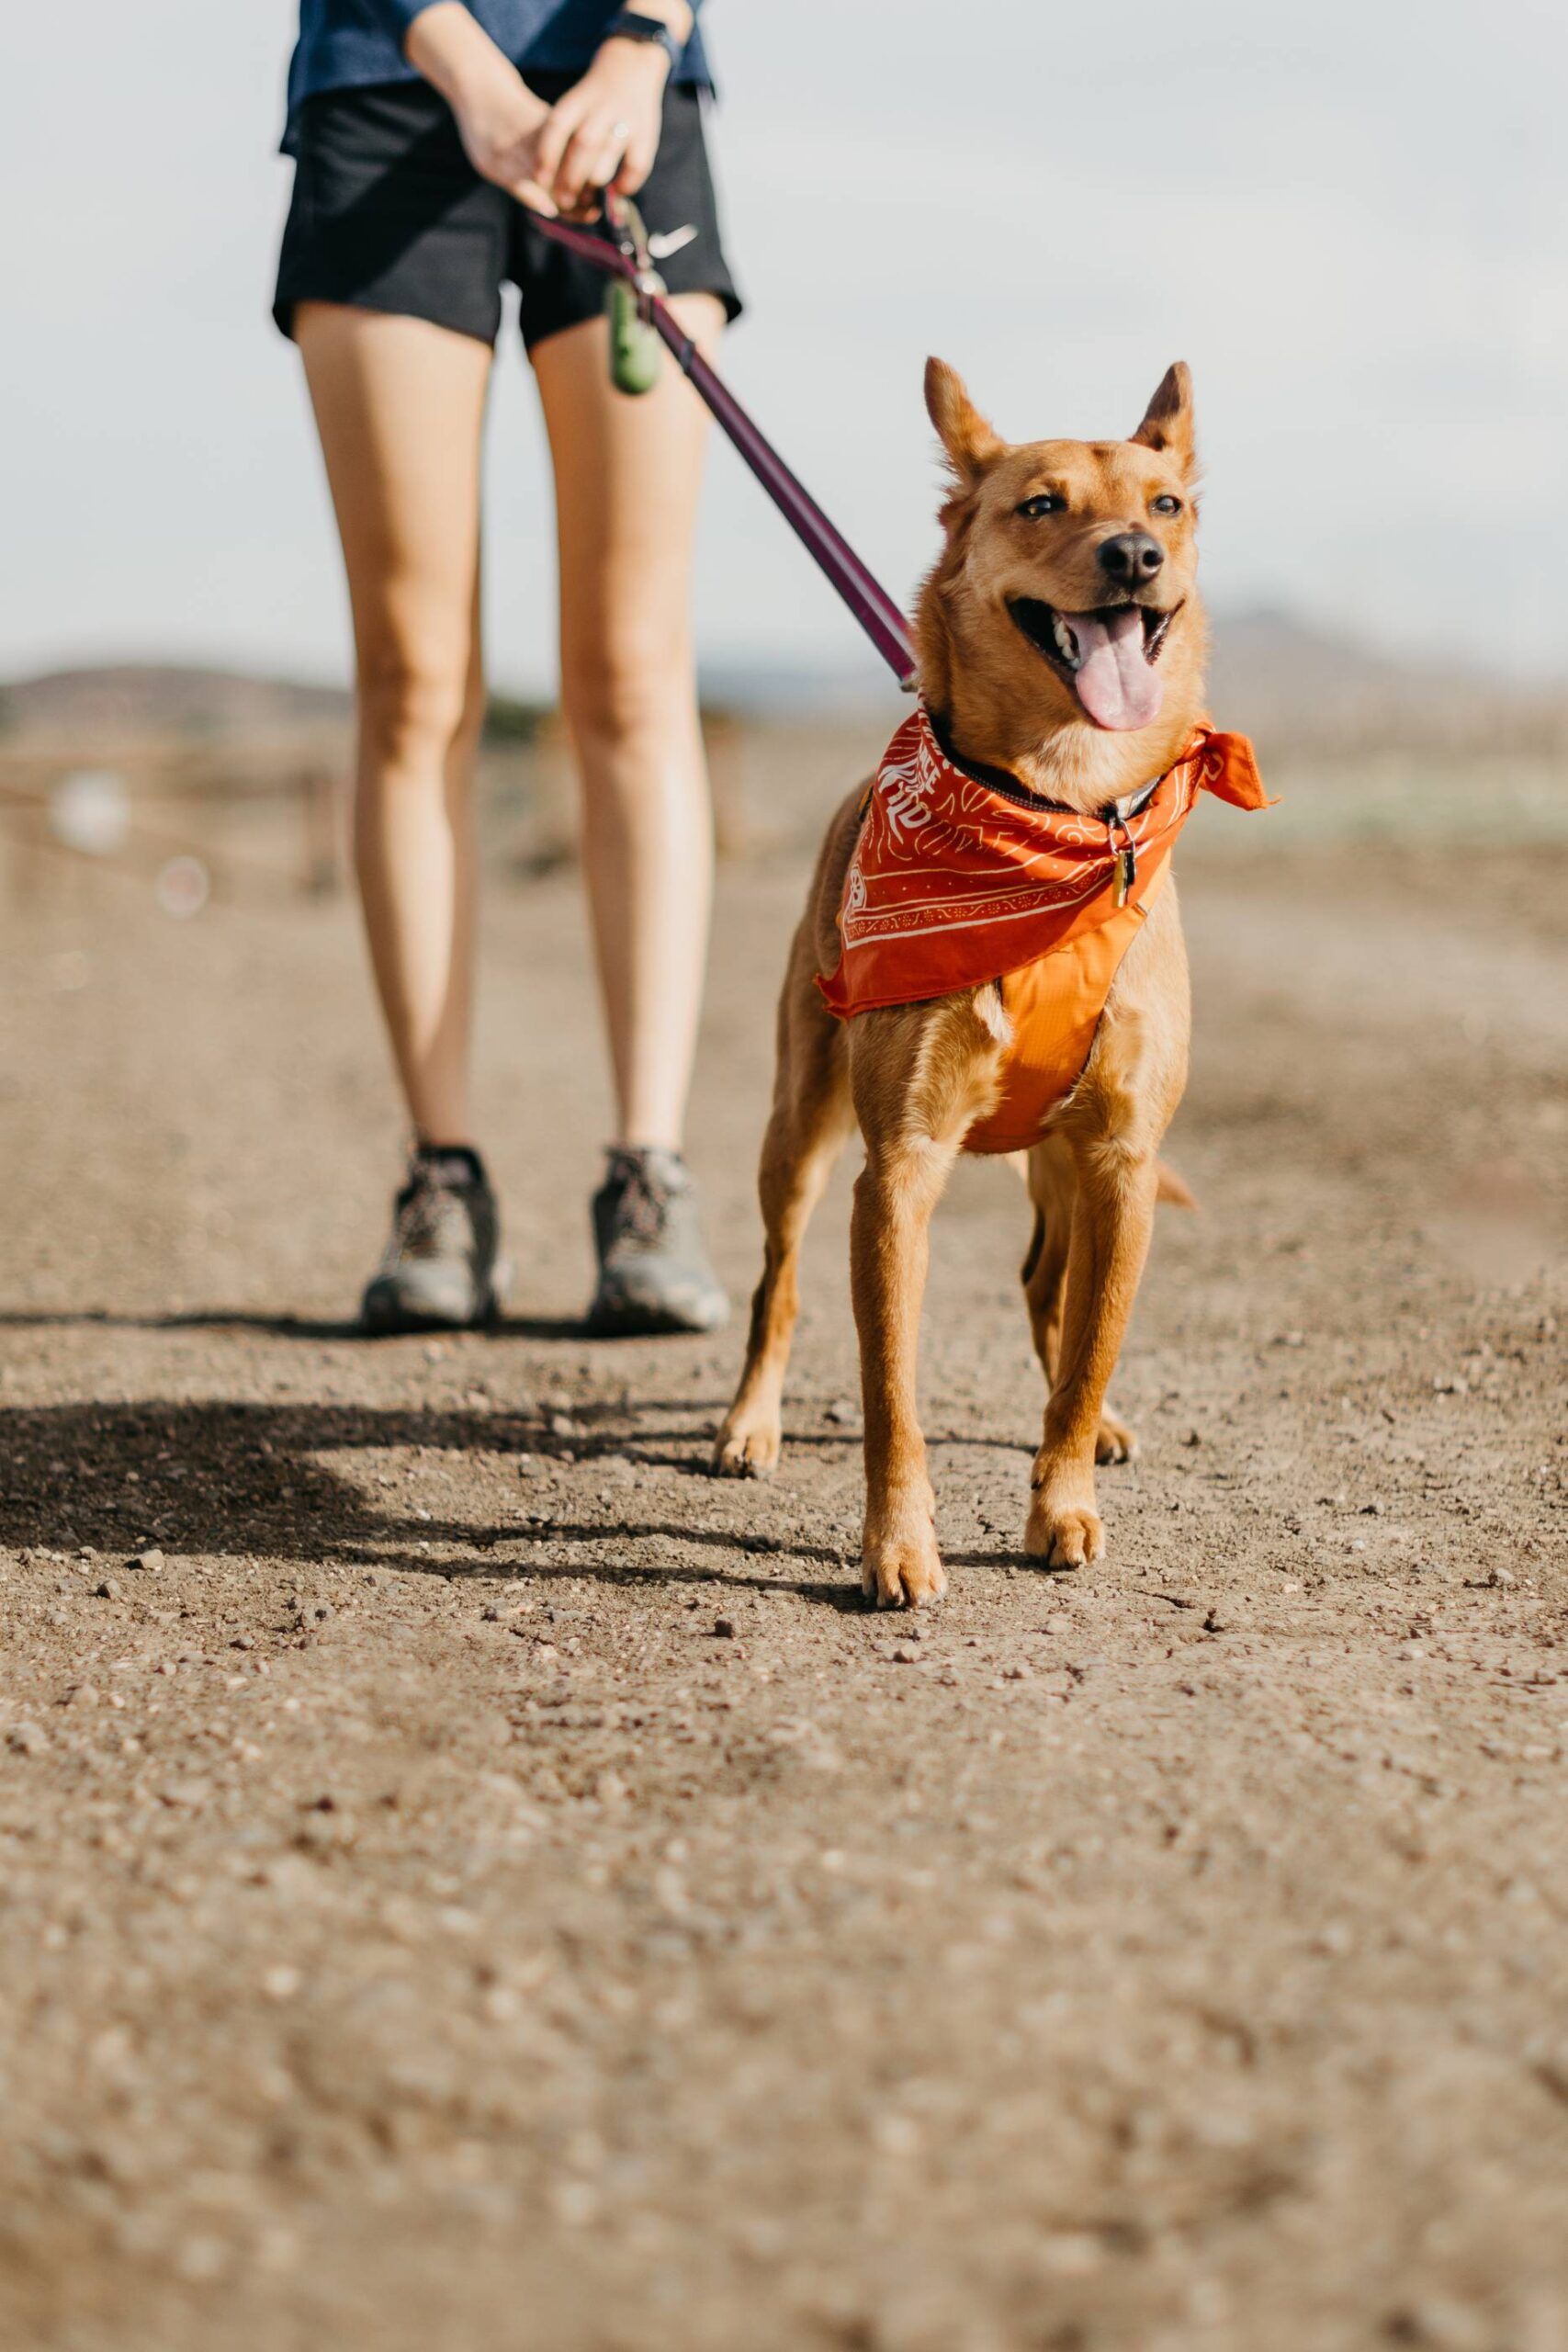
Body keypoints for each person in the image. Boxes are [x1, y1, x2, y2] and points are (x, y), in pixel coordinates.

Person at [274, 0, 739, 1334]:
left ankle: (649, 1173)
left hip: (631, 97)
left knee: (632, 666)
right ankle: (443, 1176)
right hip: (384, 87)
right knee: (414, 675)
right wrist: (464, 67)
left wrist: (638, 47)